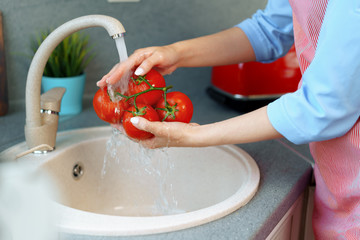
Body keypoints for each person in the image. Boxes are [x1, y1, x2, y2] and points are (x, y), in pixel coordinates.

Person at [97, 0, 360, 238]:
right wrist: (176, 52)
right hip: (337, 184)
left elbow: (322, 106)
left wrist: (196, 135)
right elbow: (269, 29)